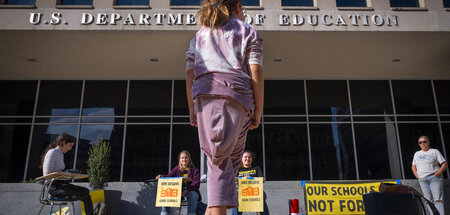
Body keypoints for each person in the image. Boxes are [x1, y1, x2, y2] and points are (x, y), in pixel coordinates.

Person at [185, 0, 264, 214]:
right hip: (240, 99)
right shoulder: (247, 30)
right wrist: (258, 109)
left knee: (218, 161)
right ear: (237, 6)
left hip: (209, 96)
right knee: (227, 163)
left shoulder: (200, 35)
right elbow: (255, 71)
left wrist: (192, 108)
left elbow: (190, 72)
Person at [40, 133, 94, 215]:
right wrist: (65, 173)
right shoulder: (52, 152)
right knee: (84, 193)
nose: (70, 148)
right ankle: (65, 196)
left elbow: (59, 172)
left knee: (86, 194)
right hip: (53, 187)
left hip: (62, 185)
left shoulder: (60, 154)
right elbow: (47, 173)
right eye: (70, 145)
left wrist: (69, 173)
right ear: (64, 142)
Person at [156, 150, 201, 215]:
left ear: (189, 159)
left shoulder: (195, 170)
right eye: (182, 158)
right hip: (177, 192)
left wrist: (187, 190)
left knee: (192, 194)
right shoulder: (177, 169)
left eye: (186, 157)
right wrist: (161, 176)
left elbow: (196, 184)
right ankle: (164, 213)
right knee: (167, 193)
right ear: (179, 159)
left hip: (190, 191)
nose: (184, 159)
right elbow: (168, 177)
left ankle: (191, 213)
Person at [411, 135, 447, 215]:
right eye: (420, 142)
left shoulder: (434, 151)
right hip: (423, 180)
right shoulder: (417, 154)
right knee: (428, 201)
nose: (422, 144)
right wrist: (417, 175)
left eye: (424, 141)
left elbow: (444, 163)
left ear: (428, 142)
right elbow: (413, 166)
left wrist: (439, 172)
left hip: (434, 178)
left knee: (437, 200)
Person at [232, 150, 269, 215]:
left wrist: (250, 178)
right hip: (241, 192)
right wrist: (243, 179)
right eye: (245, 157)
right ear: (241, 159)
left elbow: (262, 179)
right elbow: (233, 179)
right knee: (237, 198)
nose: (247, 159)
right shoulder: (238, 170)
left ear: (252, 159)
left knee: (262, 195)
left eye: (249, 157)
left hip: (254, 192)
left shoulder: (257, 168)